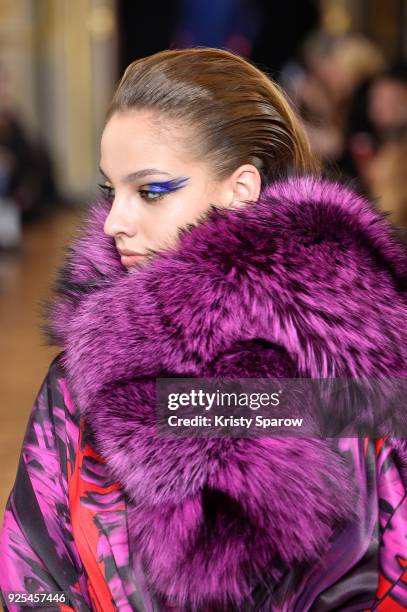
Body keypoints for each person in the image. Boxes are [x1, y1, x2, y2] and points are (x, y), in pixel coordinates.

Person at [0, 47, 407, 612]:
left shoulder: (354, 374)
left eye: (150, 191)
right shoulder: (82, 374)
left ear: (239, 188)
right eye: (109, 191)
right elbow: (30, 577)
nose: (116, 222)